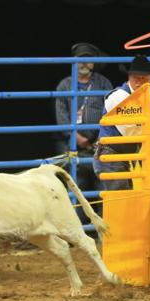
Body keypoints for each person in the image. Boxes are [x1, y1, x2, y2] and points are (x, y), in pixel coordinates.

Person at [94, 54, 150, 191]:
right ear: (129, 77)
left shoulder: (149, 99)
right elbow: (132, 133)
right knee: (122, 200)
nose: (140, 82)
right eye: (136, 77)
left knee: (124, 201)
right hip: (111, 157)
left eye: (144, 78)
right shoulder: (118, 97)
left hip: (123, 158)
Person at [54, 41, 113, 197]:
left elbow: (111, 113)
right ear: (74, 61)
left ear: (94, 63)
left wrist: (101, 137)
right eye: (80, 59)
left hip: (99, 147)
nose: (84, 63)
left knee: (103, 193)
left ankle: (104, 221)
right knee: (76, 194)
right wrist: (75, 137)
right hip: (74, 148)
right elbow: (61, 116)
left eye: (89, 59)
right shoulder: (65, 85)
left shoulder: (104, 83)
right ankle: (78, 222)